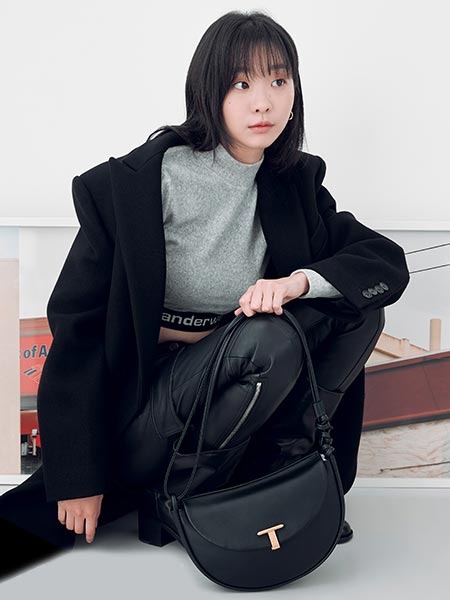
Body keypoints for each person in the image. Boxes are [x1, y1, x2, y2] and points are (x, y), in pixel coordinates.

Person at [0, 9, 410, 581]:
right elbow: (80, 327)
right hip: (146, 413)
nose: (263, 102)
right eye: (241, 84)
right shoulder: (139, 187)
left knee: (354, 310)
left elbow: (382, 263)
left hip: (233, 402)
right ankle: (182, 494)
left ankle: (283, 471)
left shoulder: (292, 180)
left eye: (278, 80)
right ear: (207, 91)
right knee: (265, 339)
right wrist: (77, 476)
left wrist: (296, 281)